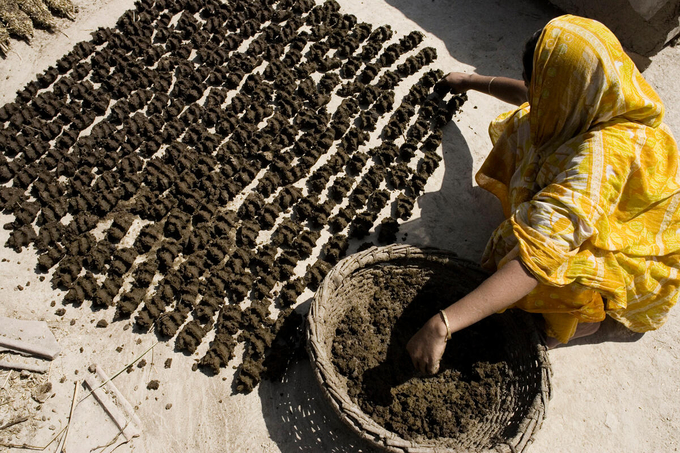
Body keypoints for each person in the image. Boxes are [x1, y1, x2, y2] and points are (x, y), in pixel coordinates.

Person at [407, 15, 680, 374]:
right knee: (527, 124)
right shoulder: (601, 92)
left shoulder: (598, 163)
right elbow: (531, 96)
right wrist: (471, 82)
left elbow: (538, 260)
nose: (531, 92)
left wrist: (443, 323)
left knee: (554, 272)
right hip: (600, 198)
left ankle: (582, 321)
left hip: (626, 242)